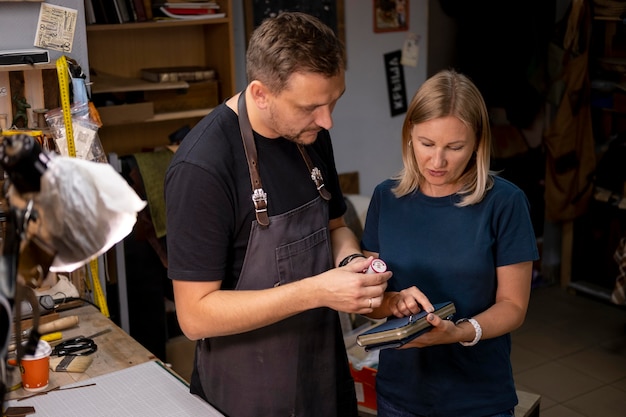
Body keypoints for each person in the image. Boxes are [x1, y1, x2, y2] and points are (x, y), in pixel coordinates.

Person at [164, 11, 392, 417]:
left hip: (322, 377)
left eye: (333, 101)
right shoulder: (202, 167)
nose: (327, 120)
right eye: (311, 107)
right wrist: (319, 291)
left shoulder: (310, 134)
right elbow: (195, 316)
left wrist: (352, 263)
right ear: (261, 93)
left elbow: (335, 226)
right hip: (247, 395)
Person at [361, 69, 539, 417]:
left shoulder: (505, 203)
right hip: (400, 395)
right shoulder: (386, 198)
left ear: (477, 144)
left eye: (455, 147)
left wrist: (459, 332)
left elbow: (513, 306)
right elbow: (371, 300)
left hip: (478, 398)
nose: (437, 161)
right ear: (409, 134)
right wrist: (394, 302)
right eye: (427, 144)